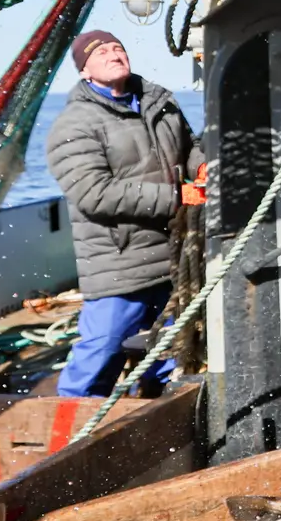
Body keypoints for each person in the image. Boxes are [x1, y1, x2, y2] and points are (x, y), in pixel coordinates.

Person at [48, 30, 205, 398]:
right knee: (101, 354)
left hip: (172, 259)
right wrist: (176, 196)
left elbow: (189, 145)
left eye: (118, 47)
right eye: (101, 52)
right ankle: (71, 438)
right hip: (120, 266)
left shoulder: (159, 102)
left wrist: (202, 167)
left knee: (171, 357)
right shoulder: (74, 125)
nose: (113, 53)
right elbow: (93, 193)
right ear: (85, 71)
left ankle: (165, 436)